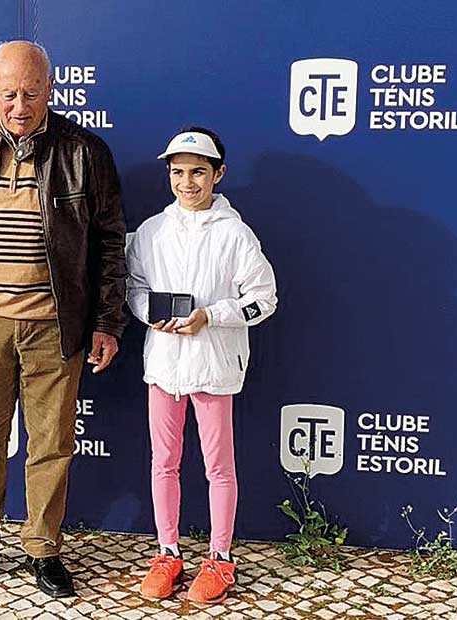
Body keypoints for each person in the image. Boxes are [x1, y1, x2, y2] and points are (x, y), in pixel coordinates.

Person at [0, 40, 127, 598]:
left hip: (57, 324)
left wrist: (107, 322)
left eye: (31, 93)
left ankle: (43, 548)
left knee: (52, 442)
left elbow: (111, 243)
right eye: (9, 93)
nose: (19, 105)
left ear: (50, 89)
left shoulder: (84, 151)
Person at [126, 127, 277, 604]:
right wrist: (151, 314)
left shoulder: (236, 234)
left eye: (197, 172)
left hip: (213, 366)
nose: (187, 182)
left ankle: (220, 558)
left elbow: (264, 298)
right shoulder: (151, 231)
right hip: (163, 366)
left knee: (218, 466)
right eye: (178, 172)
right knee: (163, 462)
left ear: (218, 174)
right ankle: (167, 552)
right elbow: (134, 288)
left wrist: (211, 316)